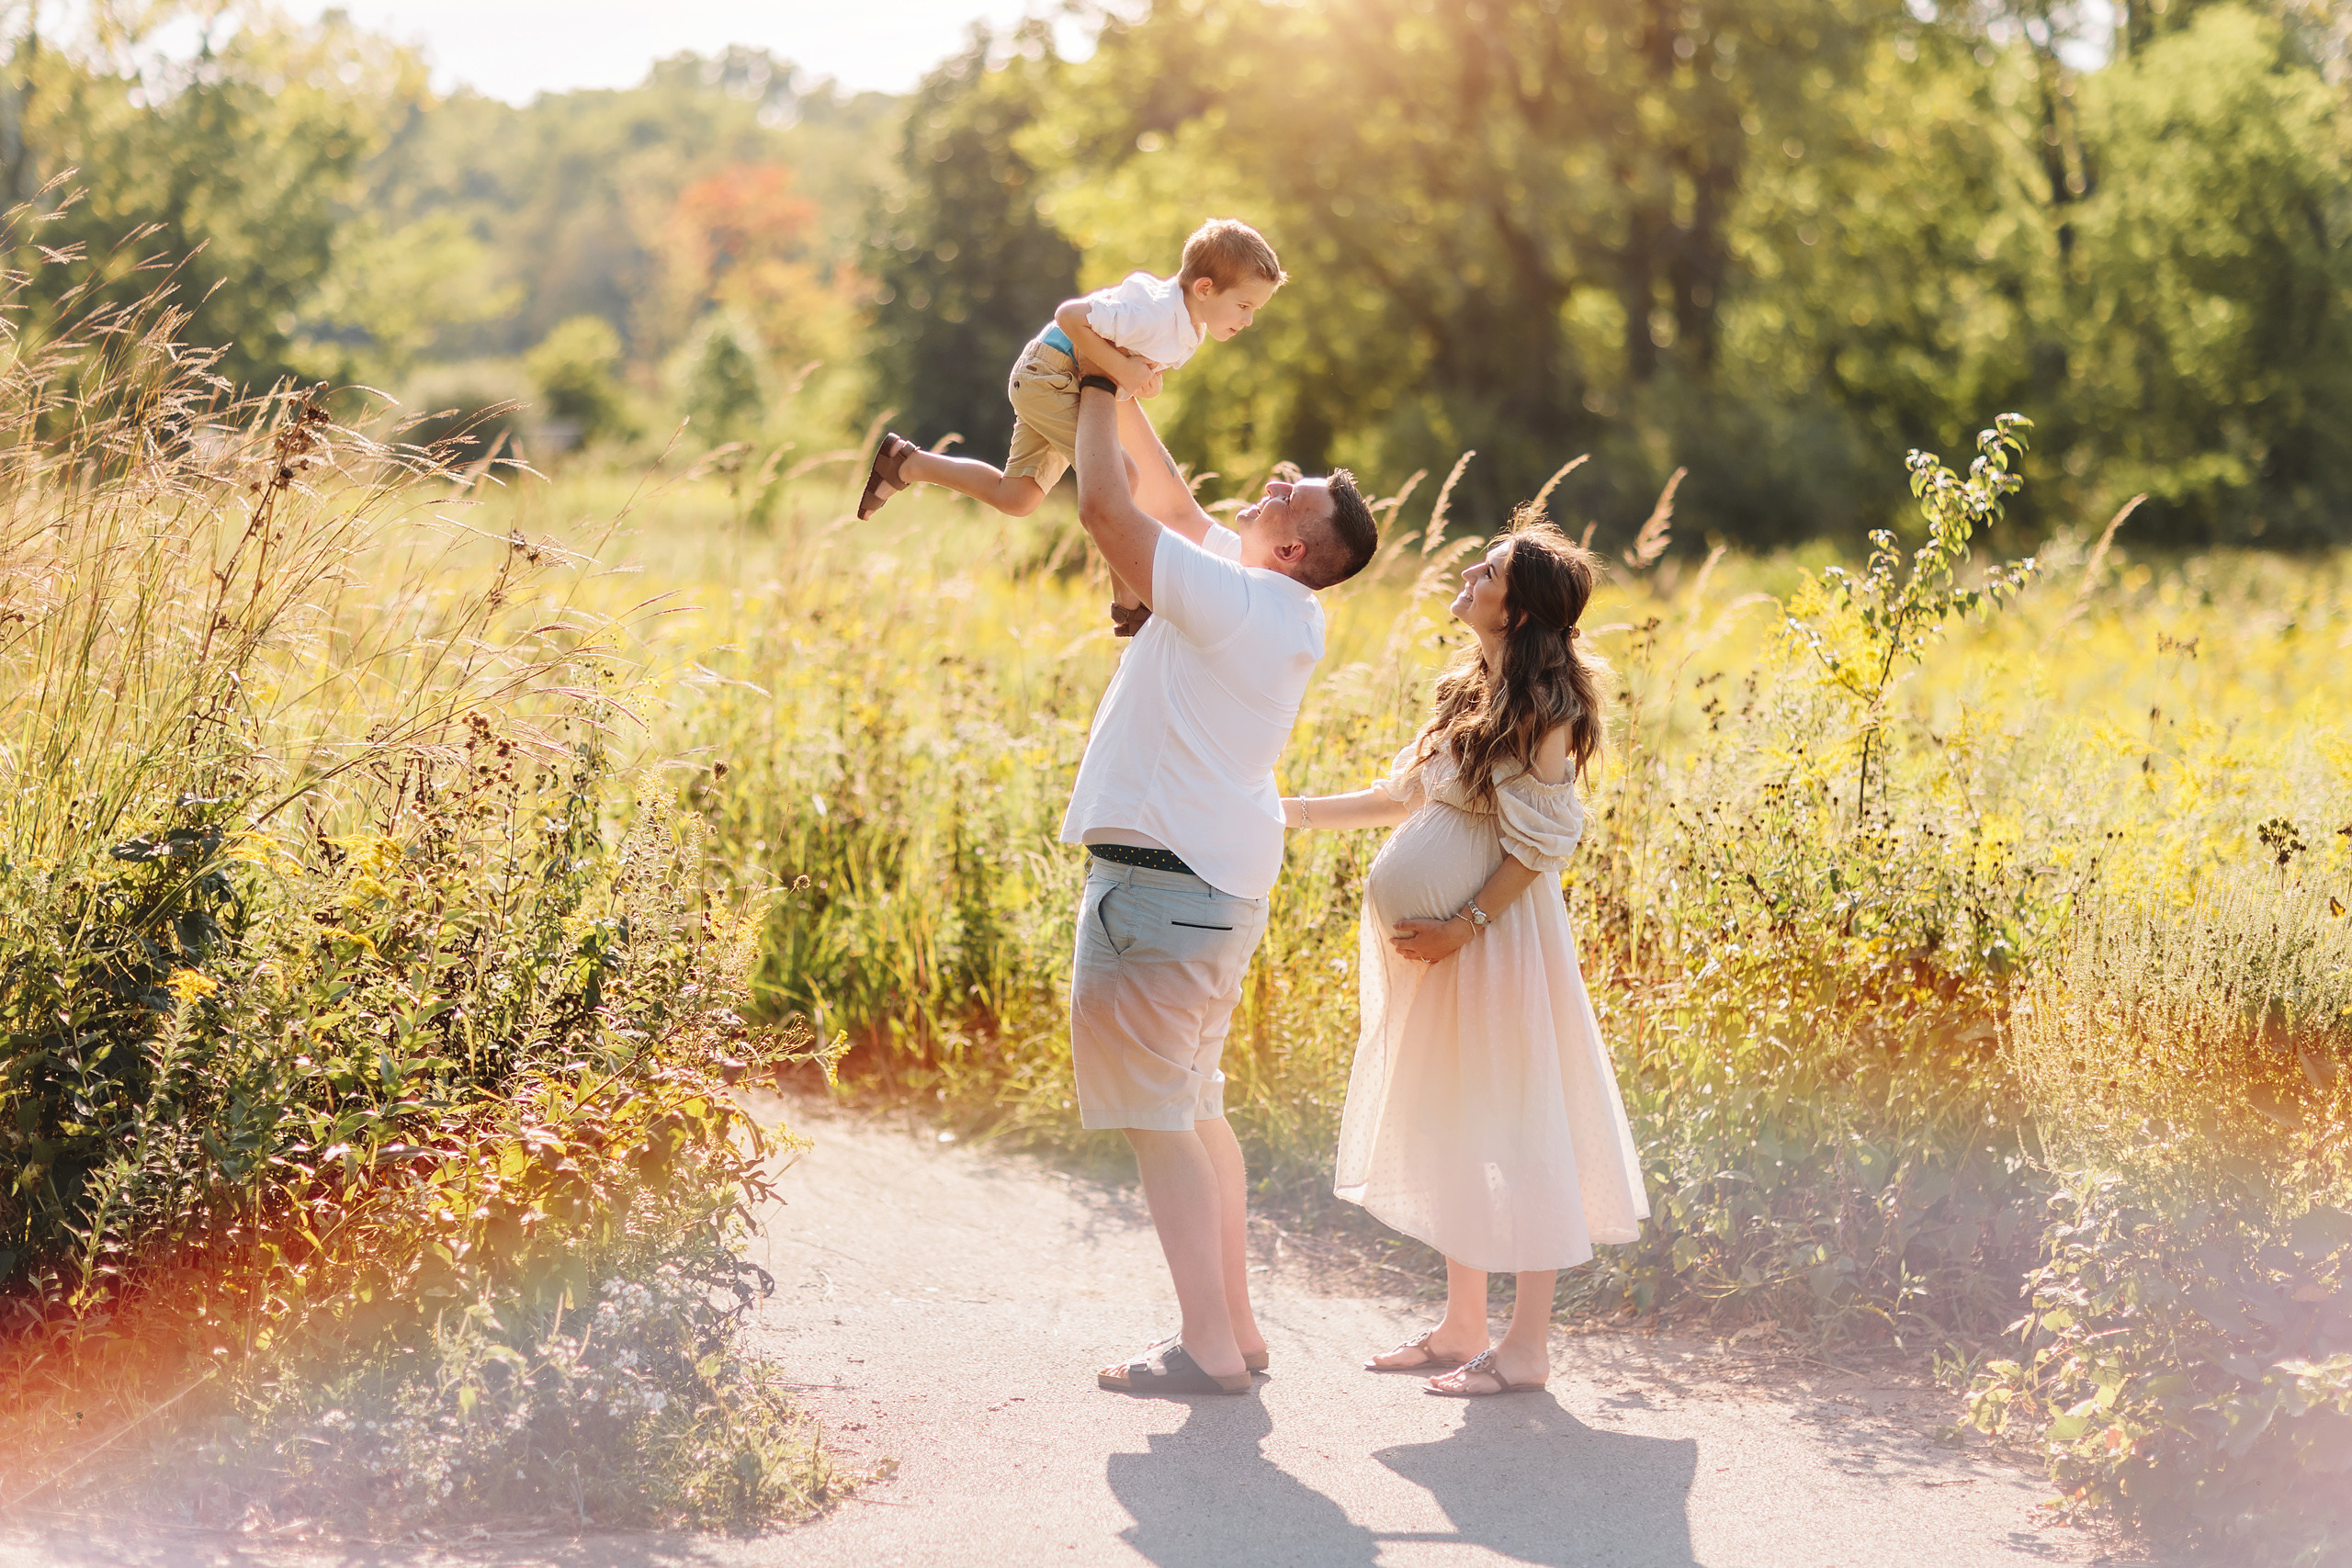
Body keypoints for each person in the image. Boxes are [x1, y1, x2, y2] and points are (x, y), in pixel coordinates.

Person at [1058, 363, 1377, 1396]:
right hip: (1208, 887)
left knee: (1162, 1120)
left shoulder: (1240, 600)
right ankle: (1234, 1329)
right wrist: (1110, 370)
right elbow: (1173, 499)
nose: (1276, 478)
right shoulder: (1271, 604)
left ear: (1290, 548)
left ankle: (1204, 1346)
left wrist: (1095, 393)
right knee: (1194, 1107)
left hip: (1160, 888)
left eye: (1291, 492)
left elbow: (1109, 507)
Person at [1281, 511, 1648, 1397]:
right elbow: (1397, 796)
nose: (1470, 576)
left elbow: (1542, 847)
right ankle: (1460, 1326)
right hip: (1444, 954)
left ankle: (1525, 1349)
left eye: (1487, 571)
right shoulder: (1468, 692)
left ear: (1515, 612)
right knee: (1454, 1118)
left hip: (1496, 946)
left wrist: (1463, 927)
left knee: (1517, 1129)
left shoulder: (1547, 710)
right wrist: (1281, 812)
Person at [857, 218, 1284, 637]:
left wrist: (1142, 380)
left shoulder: (1189, 328)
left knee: (1018, 497)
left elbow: (1132, 371)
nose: (1248, 320)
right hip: (1050, 374)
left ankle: (906, 464)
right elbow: (1070, 316)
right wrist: (1121, 368)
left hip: (1071, 388)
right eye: (1244, 307)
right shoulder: (1153, 311)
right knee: (1123, 474)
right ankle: (1128, 602)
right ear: (1205, 288)